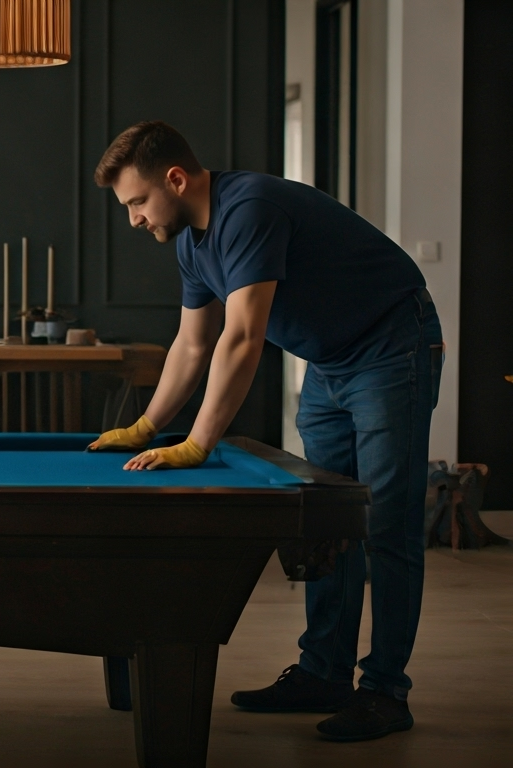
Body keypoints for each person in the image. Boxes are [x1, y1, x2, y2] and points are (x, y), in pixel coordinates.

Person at [88, 121, 441, 742]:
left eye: (138, 202)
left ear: (176, 179)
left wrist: (197, 443)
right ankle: (323, 673)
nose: (134, 219)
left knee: (386, 522)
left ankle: (386, 692)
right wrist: (146, 426)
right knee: (328, 518)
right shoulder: (191, 244)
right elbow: (192, 344)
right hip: (329, 362)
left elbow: (244, 336)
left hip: (391, 348)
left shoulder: (249, 209)